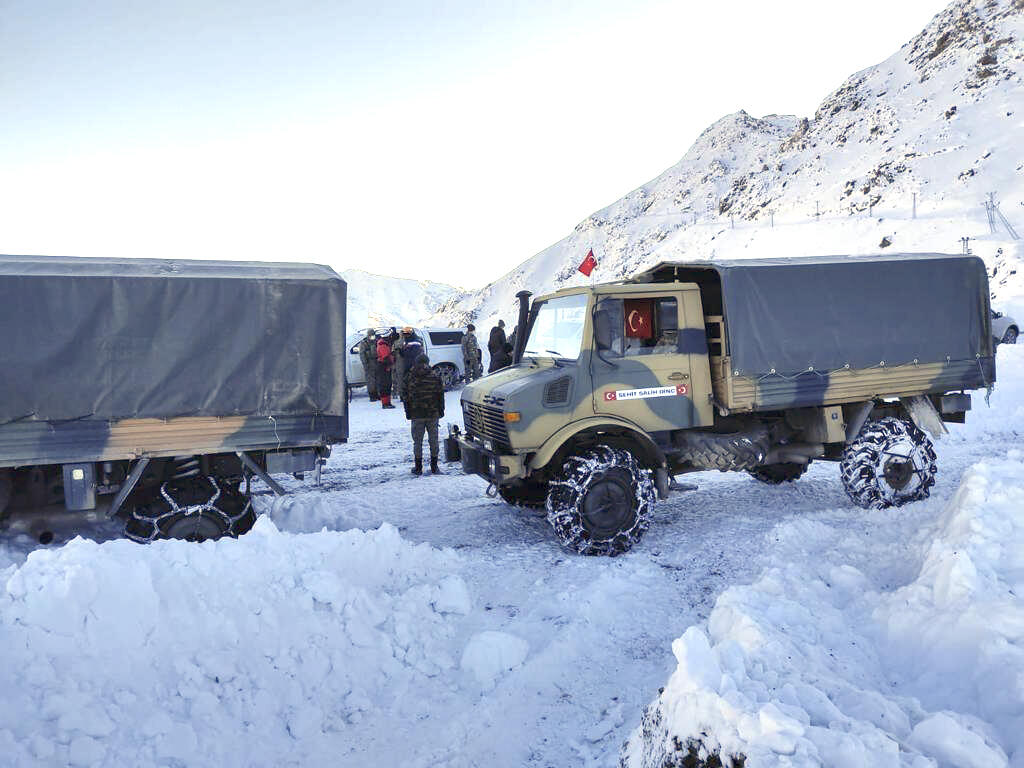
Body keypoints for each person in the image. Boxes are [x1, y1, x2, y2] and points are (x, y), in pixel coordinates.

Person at [403, 353, 444, 475]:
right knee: (434, 440)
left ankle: (418, 467)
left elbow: (405, 397)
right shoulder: (435, 376)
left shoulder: (409, 377)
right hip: (433, 413)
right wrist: (441, 411)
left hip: (416, 414)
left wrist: (408, 413)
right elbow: (440, 395)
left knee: (417, 441)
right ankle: (434, 466)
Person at [376, 329, 398, 409]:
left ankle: (387, 402)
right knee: (385, 385)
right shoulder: (383, 345)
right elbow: (385, 357)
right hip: (384, 366)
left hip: (384, 366)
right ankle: (385, 403)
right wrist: (392, 359)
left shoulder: (383, 343)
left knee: (387, 384)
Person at [358, 329, 379, 401]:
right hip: (369, 363)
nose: (372, 337)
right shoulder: (364, 343)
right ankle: (372, 395)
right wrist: (365, 364)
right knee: (370, 381)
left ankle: (377, 394)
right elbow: (362, 354)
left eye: (373, 335)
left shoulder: (377, 341)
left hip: (376, 363)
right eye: (371, 335)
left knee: (377, 379)